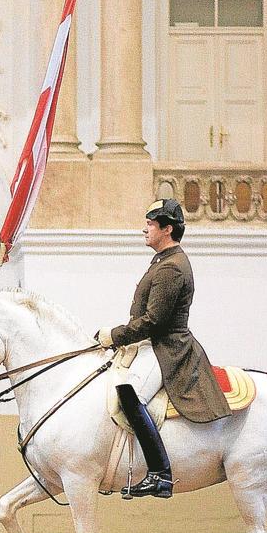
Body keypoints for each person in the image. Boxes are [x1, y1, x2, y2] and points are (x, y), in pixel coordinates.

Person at [96, 199, 231, 499]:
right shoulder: (163, 260)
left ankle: (160, 473)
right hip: (153, 344)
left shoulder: (172, 267)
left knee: (129, 395)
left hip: (167, 348)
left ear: (167, 229)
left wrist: (114, 335)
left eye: (151, 223)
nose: (145, 228)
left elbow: (154, 321)